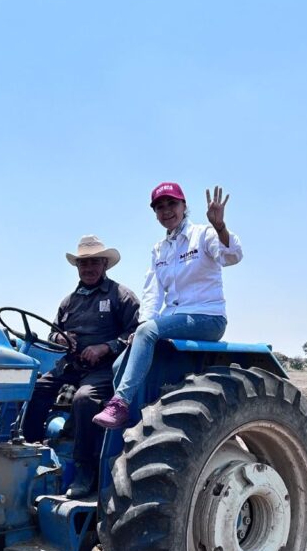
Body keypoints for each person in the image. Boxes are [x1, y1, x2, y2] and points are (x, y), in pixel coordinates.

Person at [93, 182, 243, 429]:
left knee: (146, 332)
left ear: (184, 206)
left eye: (172, 203)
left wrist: (220, 227)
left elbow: (232, 256)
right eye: (160, 207)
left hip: (207, 317)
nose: (166, 211)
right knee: (120, 363)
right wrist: (142, 327)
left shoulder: (204, 234)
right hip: (173, 320)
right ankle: (131, 422)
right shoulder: (159, 250)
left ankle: (120, 404)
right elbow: (152, 292)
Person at [22, 235, 139, 497]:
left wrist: (105, 347)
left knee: (84, 399)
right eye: (83, 263)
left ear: (105, 264)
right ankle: (31, 449)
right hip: (71, 365)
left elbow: (135, 334)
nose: (88, 268)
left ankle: (85, 469)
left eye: (94, 262)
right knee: (37, 387)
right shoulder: (69, 302)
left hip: (105, 369)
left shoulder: (121, 296)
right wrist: (61, 339)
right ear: (77, 267)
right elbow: (53, 334)